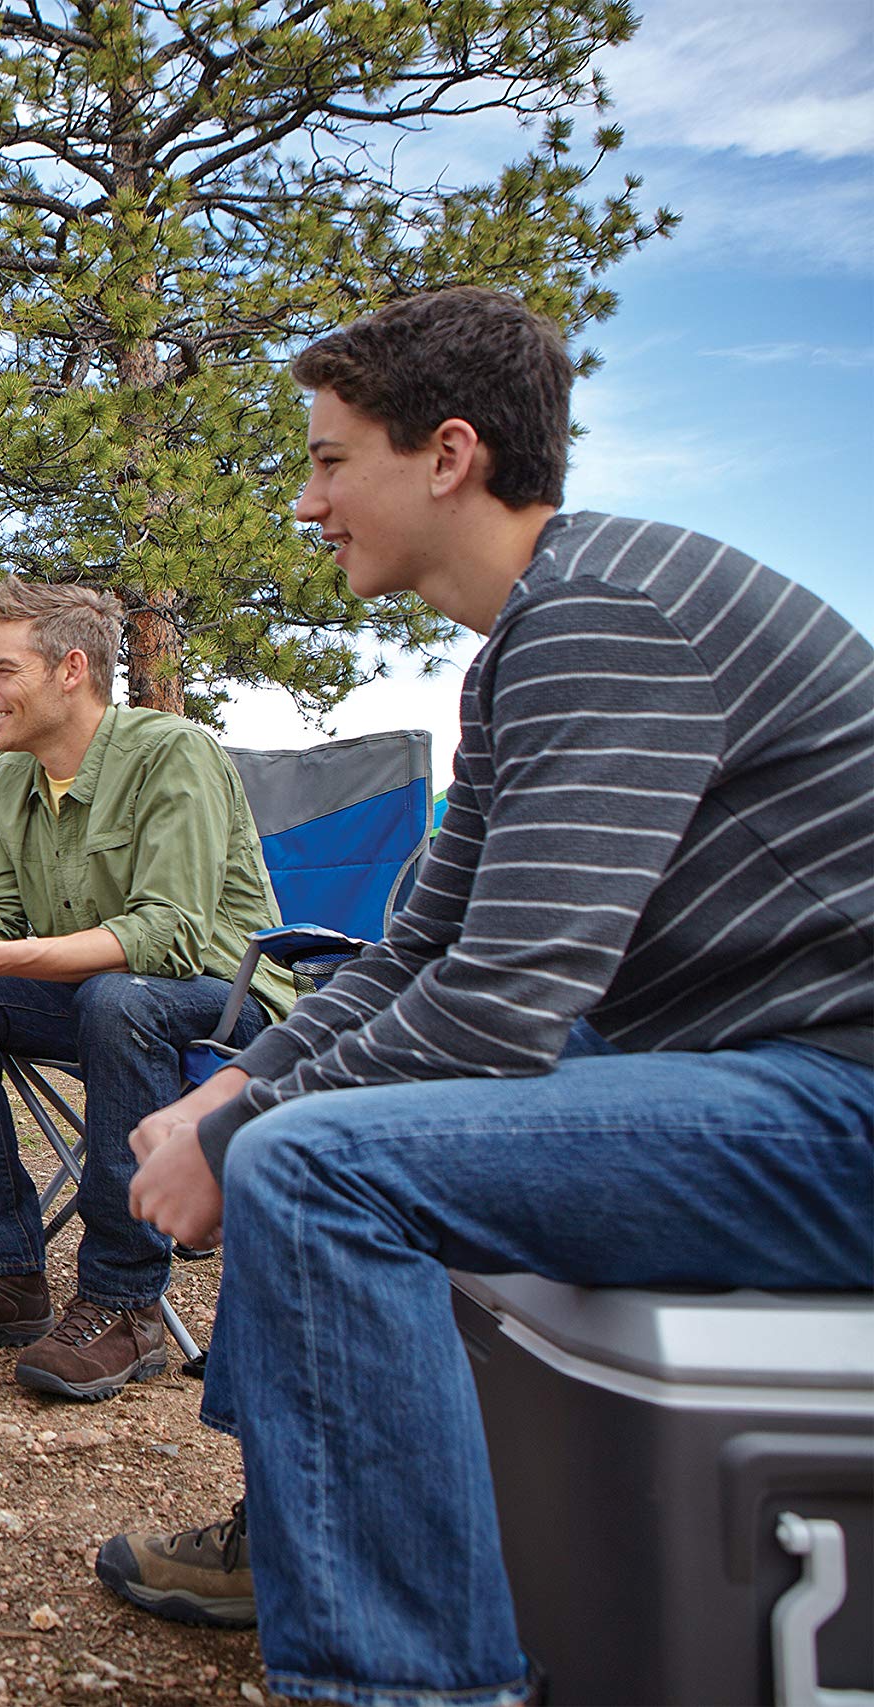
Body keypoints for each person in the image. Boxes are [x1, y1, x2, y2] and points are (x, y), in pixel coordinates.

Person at [100, 287, 874, 1703]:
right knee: (282, 1118)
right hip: (749, 1064)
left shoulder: (602, 618)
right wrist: (233, 1082)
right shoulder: (531, 647)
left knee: (318, 1163)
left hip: (840, 1102)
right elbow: (418, 955)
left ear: (446, 454)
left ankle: (403, 1677)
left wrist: (244, 1129)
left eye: (333, 460)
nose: (304, 500)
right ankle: (302, 1529)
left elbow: (506, 1004)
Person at [0, 580, 296, 1399]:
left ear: (71, 669)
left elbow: (168, 937)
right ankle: (2, 1275)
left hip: (226, 1003)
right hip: (102, 995)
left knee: (118, 998)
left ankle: (124, 1301)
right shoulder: (11, 778)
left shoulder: (174, 754)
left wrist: (3, 954)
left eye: (1, 670)